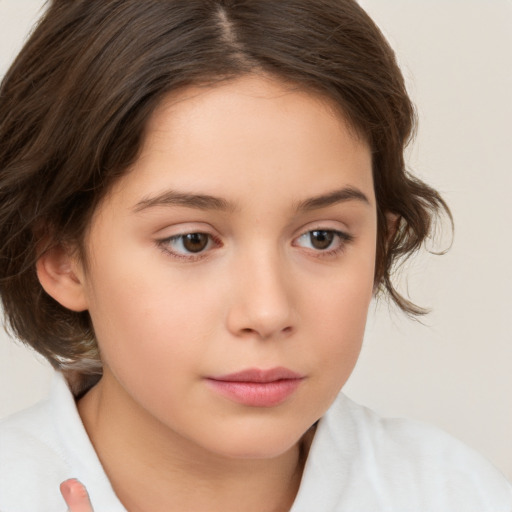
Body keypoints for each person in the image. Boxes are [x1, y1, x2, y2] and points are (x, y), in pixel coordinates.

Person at [0, 0, 510, 510]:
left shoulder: (455, 494)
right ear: (62, 257)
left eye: (321, 238)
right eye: (192, 240)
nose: (267, 312)